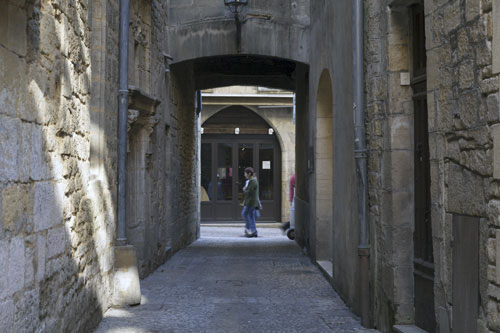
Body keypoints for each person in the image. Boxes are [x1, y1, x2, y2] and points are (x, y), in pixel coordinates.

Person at [242, 167, 259, 238]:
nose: (244, 175)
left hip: (250, 202)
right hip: (251, 202)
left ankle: (249, 229)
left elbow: (250, 192)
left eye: (245, 173)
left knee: (245, 214)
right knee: (251, 216)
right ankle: (253, 231)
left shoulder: (252, 181)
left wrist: (244, 190)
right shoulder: (252, 180)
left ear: (249, 173)